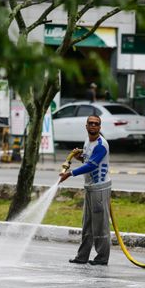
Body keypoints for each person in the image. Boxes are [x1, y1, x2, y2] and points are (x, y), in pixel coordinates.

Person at [59, 114, 111, 266]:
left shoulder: (102, 144)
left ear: (100, 127)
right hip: (89, 187)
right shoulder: (88, 141)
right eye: (91, 123)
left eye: (96, 124)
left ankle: (102, 258)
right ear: (86, 126)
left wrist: (70, 173)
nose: (93, 126)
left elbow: (92, 165)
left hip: (100, 188)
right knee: (87, 223)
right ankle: (82, 257)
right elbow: (88, 160)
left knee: (100, 225)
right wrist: (79, 157)